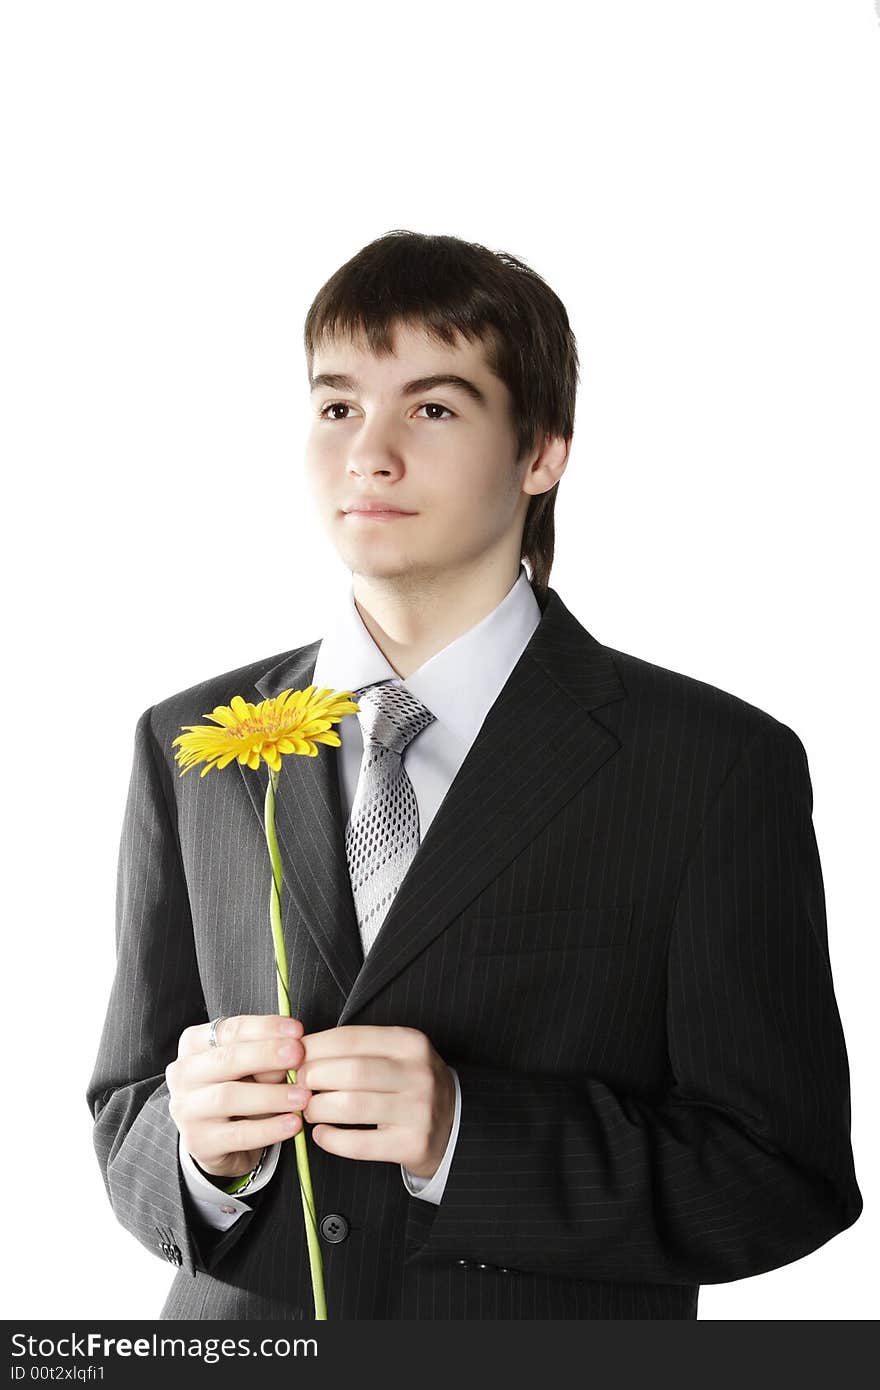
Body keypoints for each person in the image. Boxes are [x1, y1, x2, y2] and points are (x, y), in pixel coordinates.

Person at [87, 230, 862, 1321]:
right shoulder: (191, 743)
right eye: (337, 406)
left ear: (541, 450)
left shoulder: (712, 767)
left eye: (434, 409)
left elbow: (783, 1176)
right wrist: (201, 1154)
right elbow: (123, 1115)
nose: (370, 453)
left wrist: (465, 1135)